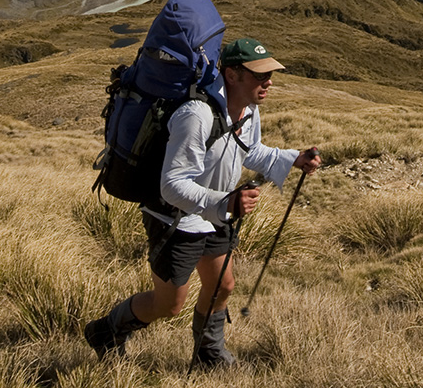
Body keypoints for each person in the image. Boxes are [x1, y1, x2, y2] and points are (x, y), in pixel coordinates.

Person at [84, 36, 321, 367]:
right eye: (260, 75)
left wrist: (293, 158)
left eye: (270, 75)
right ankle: (105, 331)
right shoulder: (196, 115)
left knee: (222, 285)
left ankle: (209, 355)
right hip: (174, 218)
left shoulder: (249, 109)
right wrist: (225, 203)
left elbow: (250, 150)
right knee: (169, 305)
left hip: (216, 212)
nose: (268, 82)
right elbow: (172, 185)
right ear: (232, 75)